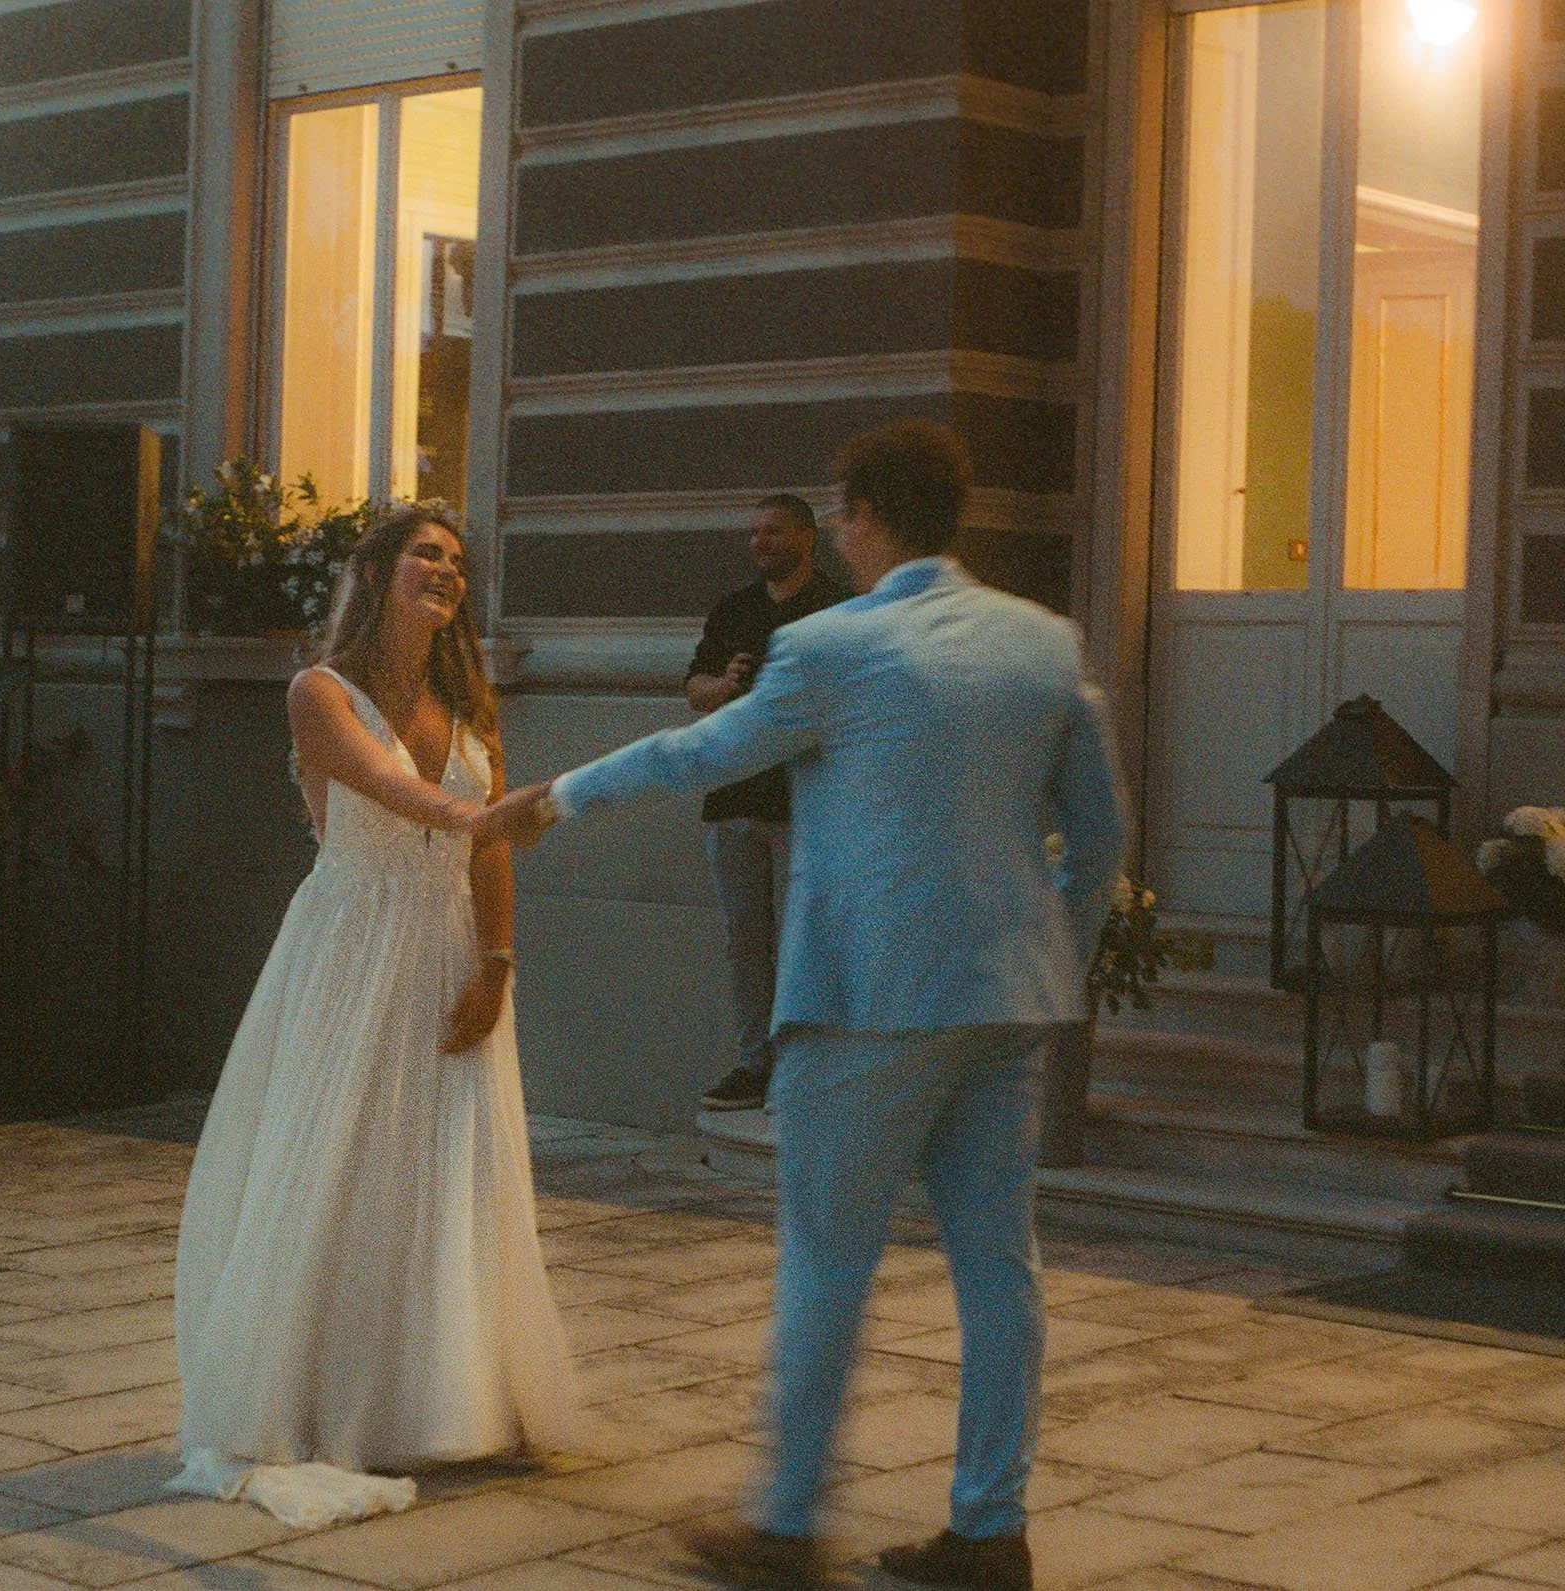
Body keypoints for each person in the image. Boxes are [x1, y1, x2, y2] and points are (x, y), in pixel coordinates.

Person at [480, 421, 1125, 1591]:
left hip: (867, 998)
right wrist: (1053, 961)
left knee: (829, 1258)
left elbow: (707, 752)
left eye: (841, 511)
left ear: (865, 514)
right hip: (1008, 1000)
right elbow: (1102, 833)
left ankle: (784, 1523)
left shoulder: (831, 644)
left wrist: (560, 796)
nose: (835, 527)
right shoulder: (1043, 641)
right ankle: (992, 1528)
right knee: (1001, 1266)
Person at [170, 505, 577, 1529]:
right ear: (379, 570)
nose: (444, 570)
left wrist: (497, 963)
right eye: (424, 554)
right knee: (344, 1160)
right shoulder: (319, 691)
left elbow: (486, 853)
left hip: (448, 947)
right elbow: (392, 790)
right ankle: (323, 1396)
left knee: (450, 1163)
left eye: (456, 561)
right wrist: (485, 813)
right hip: (352, 949)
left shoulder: (471, 704)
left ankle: (450, 1398)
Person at [687, 495, 847, 1113]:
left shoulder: (836, 610)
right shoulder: (735, 611)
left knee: (811, 938)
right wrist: (722, 688)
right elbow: (695, 688)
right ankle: (758, 1064)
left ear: (807, 538)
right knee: (746, 942)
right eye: (754, 533)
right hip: (735, 796)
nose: (760, 543)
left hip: (809, 803)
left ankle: (811, 1064)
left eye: (774, 532)